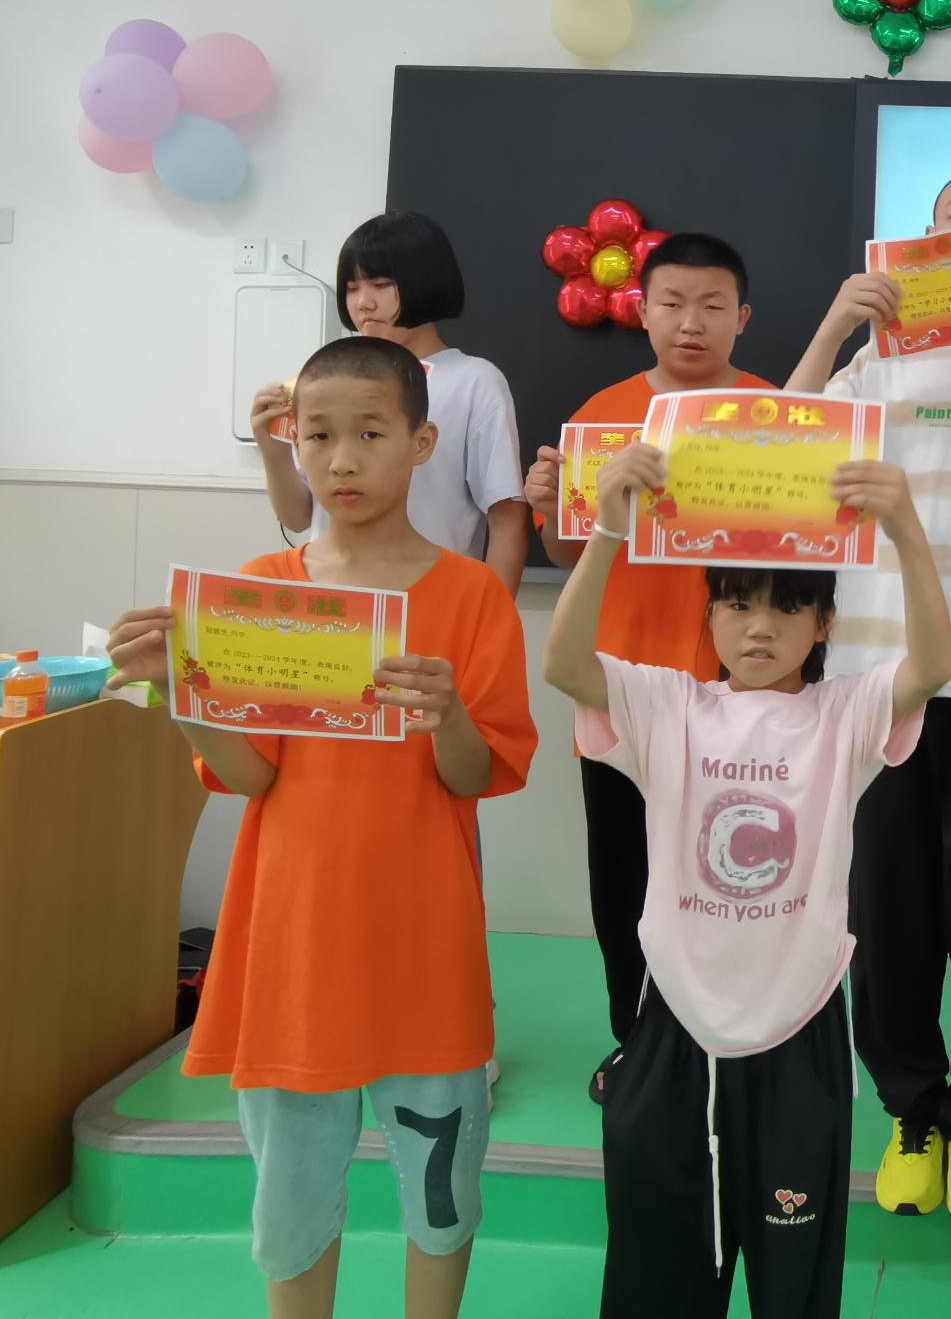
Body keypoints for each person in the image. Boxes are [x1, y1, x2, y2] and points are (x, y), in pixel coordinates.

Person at [104, 336, 537, 1319]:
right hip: (291, 943)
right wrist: (181, 691)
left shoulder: (471, 595)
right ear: (290, 443)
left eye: (371, 434)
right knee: (290, 1201)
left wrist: (447, 716)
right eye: (318, 436)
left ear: (422, 442)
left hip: (425, 945)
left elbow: (476, 776)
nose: (342, 461)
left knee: (442, 1196)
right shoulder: (262, 586)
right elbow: (248, 775)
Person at [543, 436, 951, 1319]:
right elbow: (564, 664)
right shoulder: (668, 706)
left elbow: (931, 668)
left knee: (794, 1290)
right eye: (736, 605)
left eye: (786, 607)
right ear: (711, 616)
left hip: (799, 1031)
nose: (759, 628)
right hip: (674, 1029)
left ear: (824, 624)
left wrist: (906, 531)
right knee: (656, 1284)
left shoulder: (843, 715)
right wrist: (608, 532)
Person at [782, 165, 951, 1221]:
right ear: (924, 235)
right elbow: (779, 447)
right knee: (887, 915)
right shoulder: (874, 359)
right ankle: (912, 1109)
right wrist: (832, 327)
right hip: (878, 675)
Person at [520, 232, 773, 1104]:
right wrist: (549, 507)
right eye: (671, 304)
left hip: (740, 698)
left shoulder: (775, 414)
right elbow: (566, 553)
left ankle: (729, 1043)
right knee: (625, 881)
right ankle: (637, 1044)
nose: (691, 322)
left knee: (731, 878)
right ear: (643, 312)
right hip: (619, 693)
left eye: (712, 306)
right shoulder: (602, 415)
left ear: (742, 317)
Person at [249, 210, 529, 592]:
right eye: (352, 288)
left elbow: (507, 517)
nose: (363, 303)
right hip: (334, 601)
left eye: (381, 285)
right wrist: (275, 453)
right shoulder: (328, 379)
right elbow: (298, 518)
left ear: (425, 281)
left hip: (433, 599)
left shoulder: (474, 381)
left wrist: (492, 616)